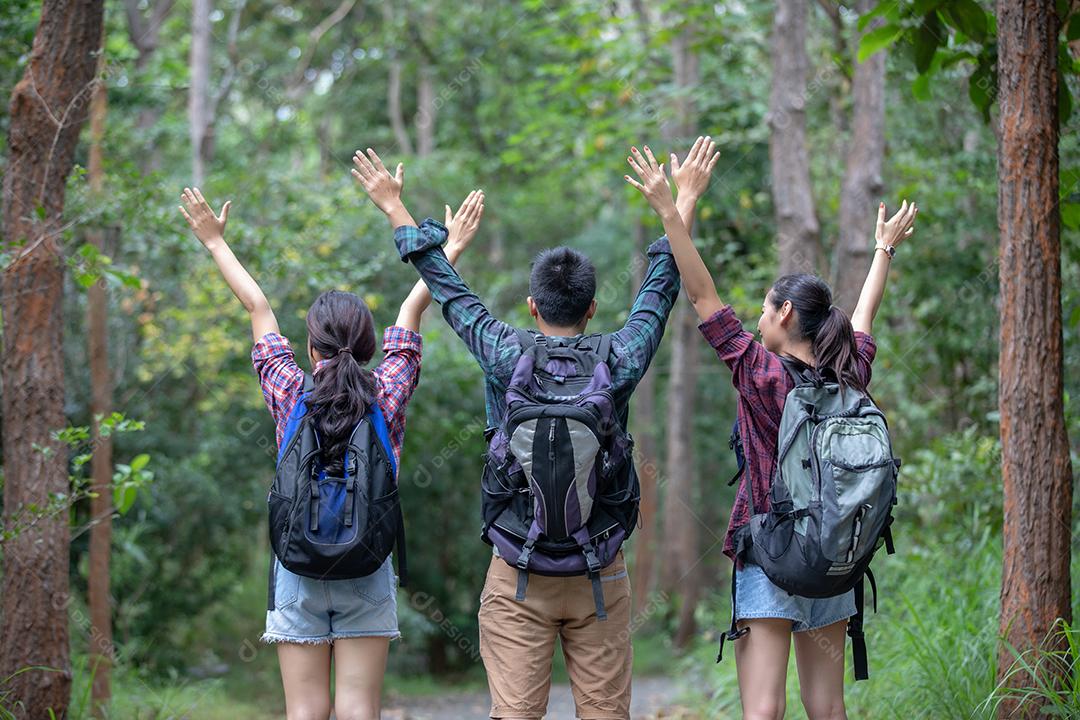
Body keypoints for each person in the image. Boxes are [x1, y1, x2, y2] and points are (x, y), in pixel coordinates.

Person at [358, 138, 717, 720]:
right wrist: (682, 201)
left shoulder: (503, 353)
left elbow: (447, 292)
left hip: (517, 573)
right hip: (600, 572)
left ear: (531, 305)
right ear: (592, 307)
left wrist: (396, 208)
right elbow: (663, 285)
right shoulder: (618, 358)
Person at [624, 139, 917, 720]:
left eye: (763, 308)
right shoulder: (849, 373)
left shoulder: (760, 374)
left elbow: (701, 293)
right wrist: (883, 249)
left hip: (769, 552)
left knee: (763, 710)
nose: (757, 319)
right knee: (827, 709)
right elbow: (863, 318)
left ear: (784, 315)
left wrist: (672, 208)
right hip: (833, 555)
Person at [178, 173, 483, 720]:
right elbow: (414, 311)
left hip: (297, 567)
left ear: (311, 342)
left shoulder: (288, 389)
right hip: (367, 564)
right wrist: (451, 246)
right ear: (367, 342)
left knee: (305, 714)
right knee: (359, 711)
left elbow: (256, 306)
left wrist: (214, 240)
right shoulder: (388, 388)